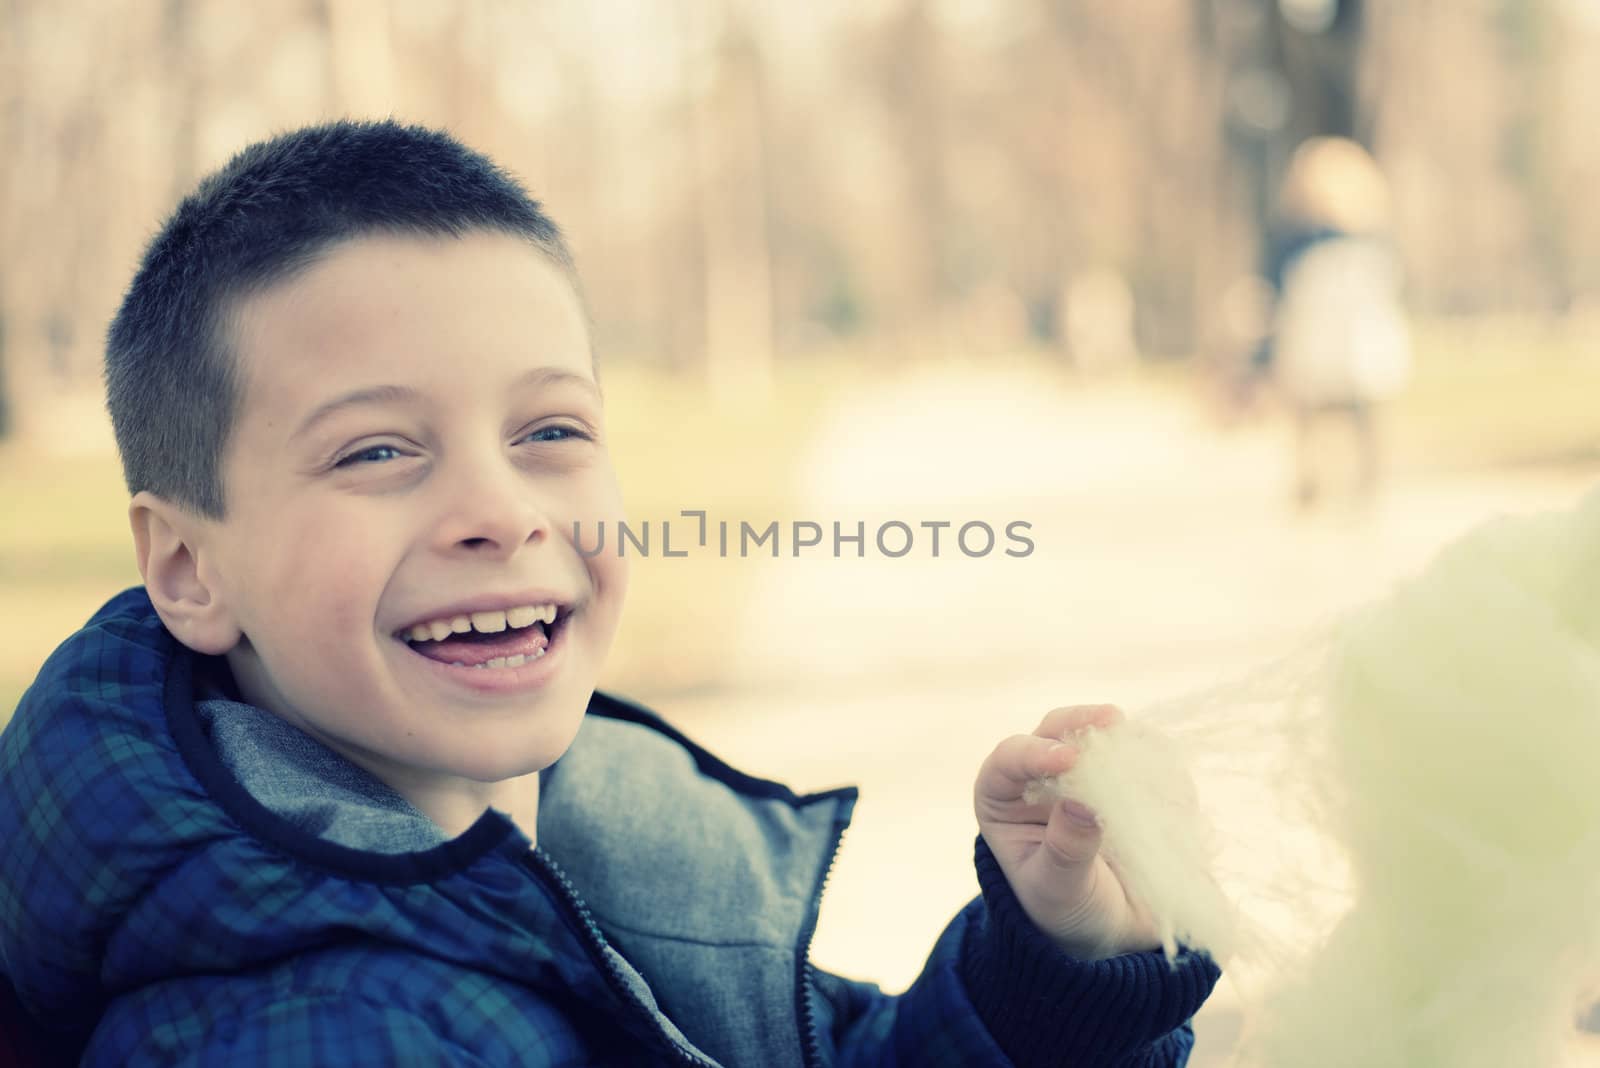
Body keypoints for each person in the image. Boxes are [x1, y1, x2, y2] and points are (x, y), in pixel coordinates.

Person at [0, 121, 1219, 1067]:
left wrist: (1055, 961)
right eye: (376, 450)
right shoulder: (319, 1031)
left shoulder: (554, 849)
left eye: (548, 428)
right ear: (189, 569)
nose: (505, 509)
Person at [1258, 136, 1411, 508]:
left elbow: (1276, 287)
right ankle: (1367, 482)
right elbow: (1392, 282)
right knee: (1364, 412)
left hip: (1315, 337)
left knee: (1308, 412)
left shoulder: (1293, 240)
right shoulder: (1374, 237)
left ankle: (1310, 480)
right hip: (1360, 337)